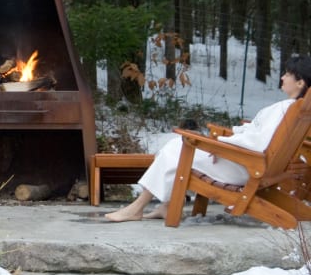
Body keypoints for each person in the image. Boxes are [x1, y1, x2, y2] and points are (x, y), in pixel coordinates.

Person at [105, 54, 311, 222]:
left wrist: (220, 145)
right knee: (177, 145)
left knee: (176, 147)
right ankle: (165, 206)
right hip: (250, 164)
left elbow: (257, 142)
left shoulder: (286, 109)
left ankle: (137, 208)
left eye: (287, 74)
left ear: (300, 82)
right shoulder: (294, 110)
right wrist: (227, 141)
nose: (282, 77)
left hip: (244, 166)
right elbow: (259, 138)